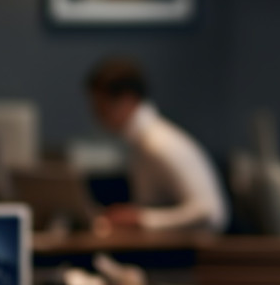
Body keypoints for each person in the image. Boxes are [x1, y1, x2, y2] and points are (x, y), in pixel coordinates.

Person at [85, 57, 229, 232]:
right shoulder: (143, 142)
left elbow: (211, 212)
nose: (96, 115)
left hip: (195, 254)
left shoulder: (159, 145)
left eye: (101, 106)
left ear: (127, 99)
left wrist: (142, 219)